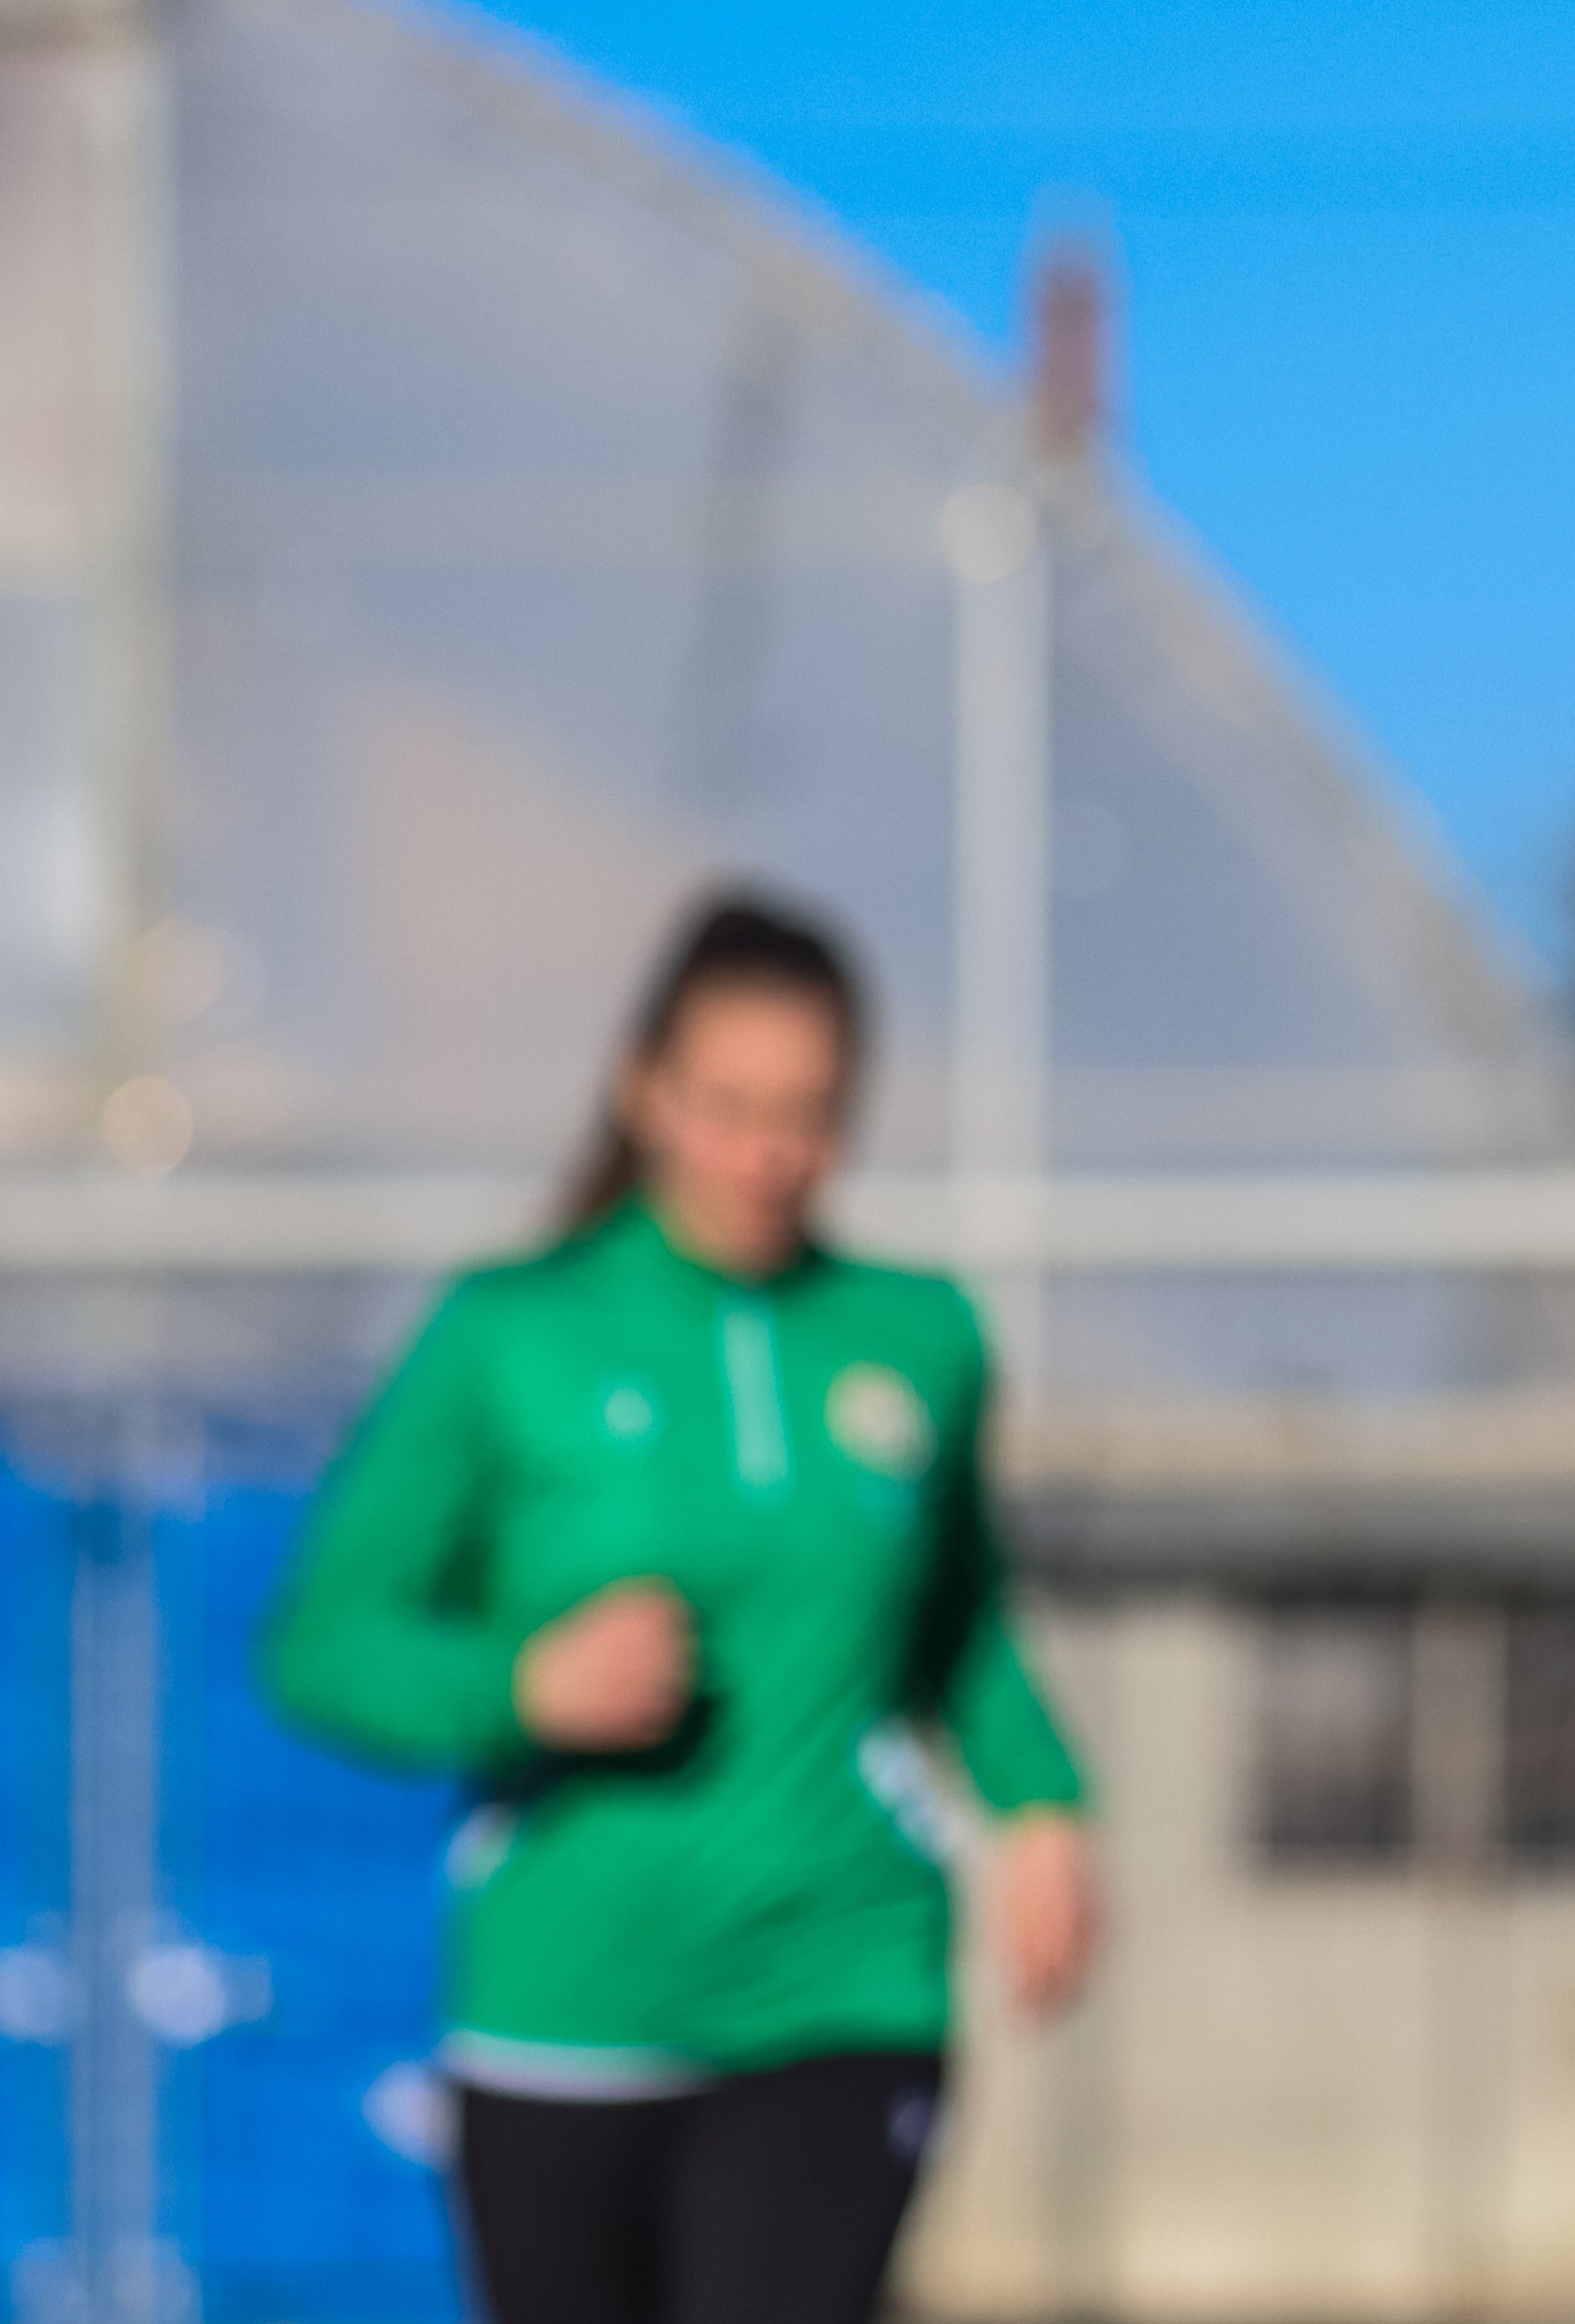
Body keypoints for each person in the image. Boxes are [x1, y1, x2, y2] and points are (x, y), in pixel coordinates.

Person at [268, 891, 1095, 2324]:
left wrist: (1043, 1802)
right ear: (642, 1089)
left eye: (809, 1112)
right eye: (729, 1107)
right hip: (571, 1997)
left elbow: (959, 1619)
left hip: (841, 1977)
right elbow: (322, 1640)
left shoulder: (919, 1336)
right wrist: (519, 1687)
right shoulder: (509, 1332)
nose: (768, 1153)